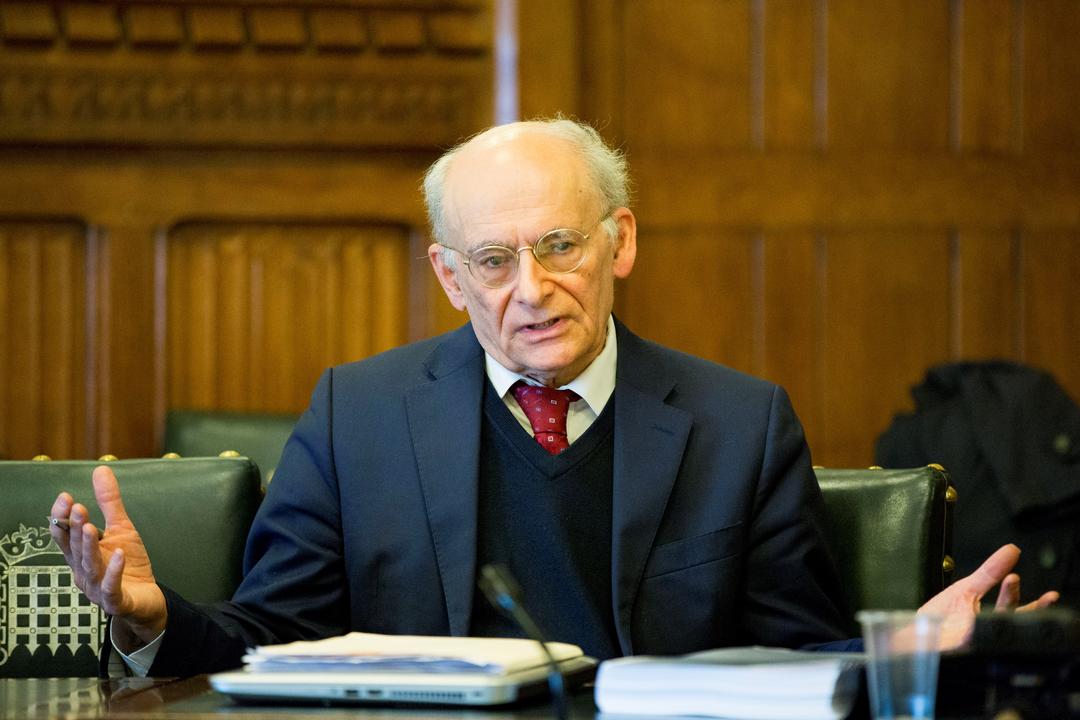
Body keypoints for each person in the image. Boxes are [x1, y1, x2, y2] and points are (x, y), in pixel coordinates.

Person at [49, 119, 1058, 678]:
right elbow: (270, 640)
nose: (530, 290)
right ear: (450, 277)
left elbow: (792, 663)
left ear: (620, 242)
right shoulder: (359, 416)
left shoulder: (739, 425)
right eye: (493, 260)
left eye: (560, 246)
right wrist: (148, 620)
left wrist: (906, 647)